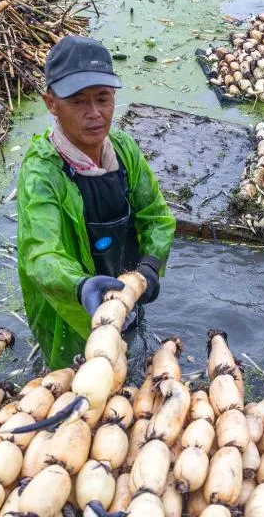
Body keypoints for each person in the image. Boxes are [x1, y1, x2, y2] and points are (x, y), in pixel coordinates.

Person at [17, 35, 176, 368]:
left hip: (125, 293)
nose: (94, 114)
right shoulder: (42, 173)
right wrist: (80, 286)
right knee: (73, 378)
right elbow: (41, 254)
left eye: (103, 99)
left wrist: (148, 267)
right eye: (77, 102)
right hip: (72, 310)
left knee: (129, 367)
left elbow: (156, 216)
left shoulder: (123, 149)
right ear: (51, 103)